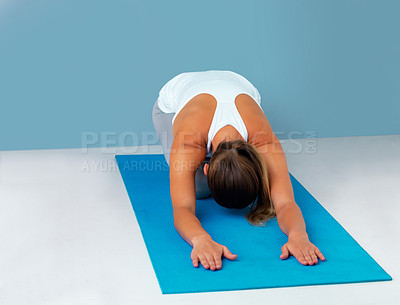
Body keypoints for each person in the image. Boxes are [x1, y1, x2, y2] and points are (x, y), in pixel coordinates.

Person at [152, 70, 325, 271]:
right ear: (206, 169)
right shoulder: (187, 142)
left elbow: (286, 203)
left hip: (235, 83)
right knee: (199, 191)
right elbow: (182, 208)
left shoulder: (263, 139)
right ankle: (206, 170)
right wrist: (201, 240)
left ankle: (217, 165)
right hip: (171, 107)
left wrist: (299, 236)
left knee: (197, 181)